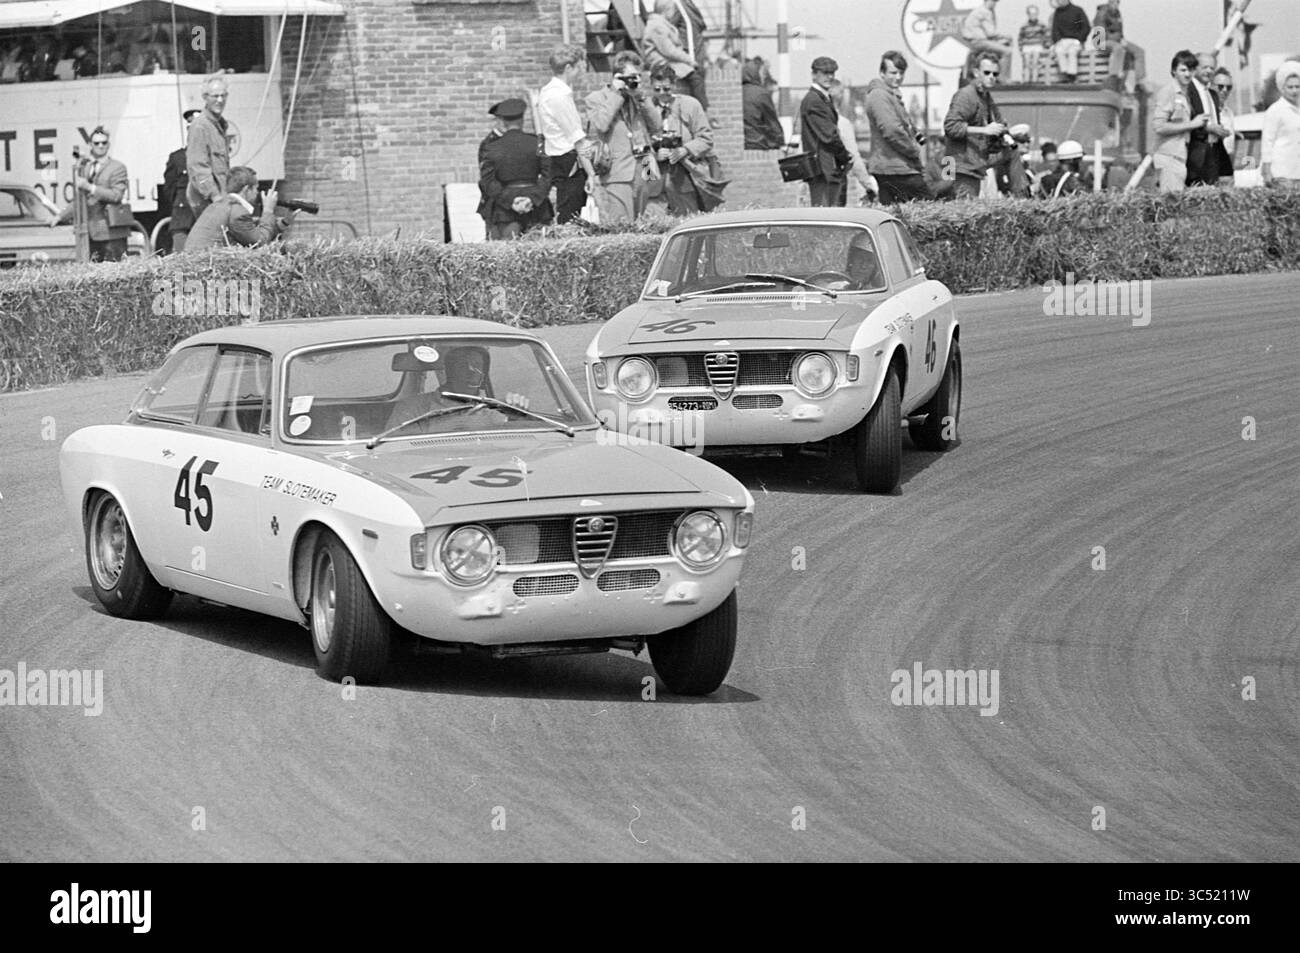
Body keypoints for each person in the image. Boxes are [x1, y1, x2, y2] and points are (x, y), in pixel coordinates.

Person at [585, 50, 662, 225]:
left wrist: (642, 97)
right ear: (617, 76)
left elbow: (656, 126)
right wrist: (616, 93)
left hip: (645, 165)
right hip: (618, 170)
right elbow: (601, 124)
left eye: (637, 76)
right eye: (630, 76)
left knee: (645, 221)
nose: (633, 81)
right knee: (622, 223)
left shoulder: (638, 97)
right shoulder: (596, 98)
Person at [537, 45, 596, 225]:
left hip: (558, 159)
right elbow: (577, 139)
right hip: (568, 161)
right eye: (579, 67)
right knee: (571, 216)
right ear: (568, 68)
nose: (580, 72)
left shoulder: (548, 91)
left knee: (568, 213)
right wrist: (591, 173)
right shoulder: (559, 95)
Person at [478, 99, 553, 239]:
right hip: (537, 209)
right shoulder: (539, 143)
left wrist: (512, 201)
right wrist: (532, 199)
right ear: (522, 120)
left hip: (504, 211)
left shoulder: (491, 147)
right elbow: (548, 175)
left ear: (503, 122)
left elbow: (488, 181)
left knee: (505, 252)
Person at [54, 126, 131, 261]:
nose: (100, 146)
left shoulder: (118, 167)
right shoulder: (86, 168)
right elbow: (80, 200)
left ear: (108, 144)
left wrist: (90, 187)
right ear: (90, 145)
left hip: (112, 234)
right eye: (97, 143)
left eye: (104, 142)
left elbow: (116, 195)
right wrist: (60, 216)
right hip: (91, 233)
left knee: (114, 275)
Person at [865, 51, 929, 204]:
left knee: (897, 215)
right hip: (896, 167)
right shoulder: (880, 95)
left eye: (901, 73)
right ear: (882, 73)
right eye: (893, 72)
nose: (898, 77)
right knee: (928, 204)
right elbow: (892, 130)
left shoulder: (889, 95)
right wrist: (913, 149)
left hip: (891, 166)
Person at [649, 66, 714, 214]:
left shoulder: (690, 105)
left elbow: (706, 138)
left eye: (666, 89)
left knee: (688, 218)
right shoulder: (646, 107)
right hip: (653, 174)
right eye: (657, 89)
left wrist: (686, 149)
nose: (662, 94)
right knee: (653, 220)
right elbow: (640, 142)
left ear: (675, 85)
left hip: (684, 174)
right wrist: (654, 155)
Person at [184, 166, 294, 252]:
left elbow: (251, 232)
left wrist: (283, 223)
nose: (257, 193)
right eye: (256, 188)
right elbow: (259, 242)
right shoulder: (237, 212)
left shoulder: (217, 206)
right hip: (210, 271)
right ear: (246, 189)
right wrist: (268, 210)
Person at [944, 53, 1007, 200]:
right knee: (963, 213)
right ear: (976, 72)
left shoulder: (985, 96)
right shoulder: (966, 95)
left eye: (995, 73)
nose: (991, 76)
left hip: (973, 164)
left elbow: (999, 121)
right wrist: (985, 130)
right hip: (962, 165)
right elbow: (950, 126)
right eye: (987, 72)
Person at [386, 346, 492, 433]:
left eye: (477, 365)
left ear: (484, 373)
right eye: (462, 366)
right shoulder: (412, 409)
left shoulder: (495, 410)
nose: (471, 371)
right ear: (450, 372)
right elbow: (400, 452)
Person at [799, 56, 852, 207]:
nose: (829, 76)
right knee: (827, 215)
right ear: (814, 74)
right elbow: (829, 136)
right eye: (824, 72)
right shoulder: (815, 100)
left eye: (832, 73)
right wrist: (845, 156)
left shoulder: (820, 98)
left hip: (825, 167)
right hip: (823, 168)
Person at [1150, 50, 1202, 193]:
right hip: (1168, 157)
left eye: (1191, 70)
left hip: (1178, 158)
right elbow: (1159, 126)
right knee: (1170, 205)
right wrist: (1192, 124)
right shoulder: (1168, 92)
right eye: (1183, 70)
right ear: (1173, 71)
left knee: (1175, 204)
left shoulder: (1185, 95)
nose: (1187, 74)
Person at [186, 74, 231, 222]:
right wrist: (214, 195)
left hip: (218, 198)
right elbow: (198, 166)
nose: (220, 100)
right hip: (208, 200)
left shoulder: (218, 125)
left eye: (223, 95)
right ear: (205, 97)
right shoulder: (200, 126)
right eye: (215, 96)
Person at [1186, 52, 1231, 187]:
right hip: (1195, 156)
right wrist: (1207, 128)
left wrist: (1220, 130)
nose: (1208, 71)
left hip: (1213, 154)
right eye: (1204, 67)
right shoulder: (1187, 91)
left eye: (1212, 68)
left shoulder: (1212, 94)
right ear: (1194, 68)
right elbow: (1185, 121)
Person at [827, 80, 874, 205]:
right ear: (841, 96)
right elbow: (853, 157)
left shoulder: (814, 121)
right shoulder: (843, 123)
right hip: (837, 180)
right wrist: (868, 185)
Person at [161, 108, 200, 253]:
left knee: (205, 263)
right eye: (192, 129)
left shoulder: (212, 157)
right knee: (180, 265)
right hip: (182, 218)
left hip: (205, 218)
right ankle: (179, 278)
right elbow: (169, 189)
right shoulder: (177, 158)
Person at [1261, 62, 1300, 189]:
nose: (1294, 91)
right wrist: (1266, 171)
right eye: (1290, 87)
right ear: (1282, 88)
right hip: (1282, 173)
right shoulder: (1275, 110)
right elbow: (1267, 140)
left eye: (1297, 86)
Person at [1093, 1, 1146, 93]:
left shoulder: (1117, 13)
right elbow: (1099, 36)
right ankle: (1114, 77)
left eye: (1117, 2)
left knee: (1139, 51)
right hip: (1101, 41)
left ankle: (1139, 81)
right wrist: (1116, 40)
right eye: (1113, 2)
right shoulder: (1102, 13)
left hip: (1117, 40)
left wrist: (1122, 39)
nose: (1115, 5)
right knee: (1119, 49)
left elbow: (1120, 31)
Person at [670, 0, 711, 112]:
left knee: (695, 79)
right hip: (695, 48)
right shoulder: (689, 5)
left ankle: (703, 111)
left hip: (689, 49)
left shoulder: (678, 5)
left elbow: (667, 24)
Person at [962, 0, 1013, 80]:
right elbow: (991, 33)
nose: (994, 4)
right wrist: (1006, 36)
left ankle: (996, 75)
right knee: (1007, 52)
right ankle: (1003, 79)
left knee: (999, 47)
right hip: (980, 42)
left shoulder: (977, 10)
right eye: (993, 1)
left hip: (975, 42)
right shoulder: (985, 12)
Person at [476, 106, 506, 238]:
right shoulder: (489, 144)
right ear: (496, 120)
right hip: (497, 203)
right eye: (503, 120)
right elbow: (488, 179)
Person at [742, 58, 784, 149]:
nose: (764, 77)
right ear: (755, 73)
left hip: (744, 143)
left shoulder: (738, 92)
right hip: (759, 143)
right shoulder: (761, 93)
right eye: (762, 73)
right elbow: (772, 122)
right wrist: (780, 140)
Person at [1050, 0, 1090, 83]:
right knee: (1059, 51)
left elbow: (1085, 26)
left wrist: (1080, 39)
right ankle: (1065, 74)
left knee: (1072, 52)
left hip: (1075, 40)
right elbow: (1055, 29)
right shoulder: (1058, 12)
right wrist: (1057, 41)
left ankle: (1072, 75)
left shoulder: (1078, 10)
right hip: (1062, 40)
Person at [994, 123, 1034, 196]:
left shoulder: (1028, 167)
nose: (1026, 145)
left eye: (1028, 141)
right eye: (1022, 141)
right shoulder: (1004, 165)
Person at [1213, 67, 1237, 178]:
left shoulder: (1229, 112)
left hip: (1227, 163)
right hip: (1212, 164)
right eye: (1220, 86)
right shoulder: (1207, 111)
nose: (1224, 90)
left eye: (1229, 87)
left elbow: (1230, 146)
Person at [1018, 6, 1050, 84]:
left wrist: (1046, 46)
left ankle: (1034, 80)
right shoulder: (1024, 25)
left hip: (1037, 45)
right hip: (1027, 46)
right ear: (1028, 15)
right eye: (1031, 14)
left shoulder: (1041, 24)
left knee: (1035, 62)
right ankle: (1026, 80)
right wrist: (1021, 48)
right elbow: (1020, 37)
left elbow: (1046, 35)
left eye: (1035, 14)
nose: (1033, 16)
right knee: (1026, 62)